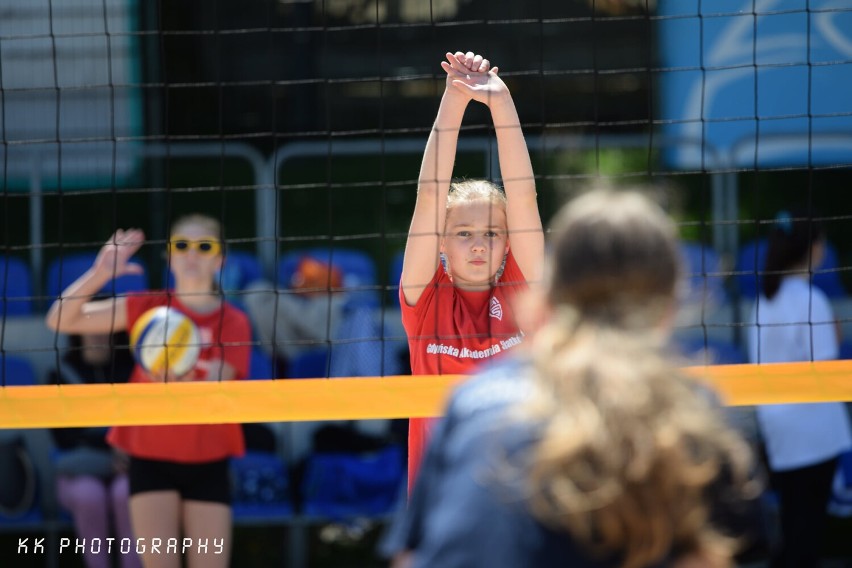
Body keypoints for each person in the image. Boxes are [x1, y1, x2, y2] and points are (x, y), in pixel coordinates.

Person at [382, 189, 758, 568]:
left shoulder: (471, 402)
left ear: (547, 298)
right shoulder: (694, 415)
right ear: (671, 307)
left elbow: (409, 557)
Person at [45, 214, 252, 568]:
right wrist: (101, 273)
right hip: (150, 458)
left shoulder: (233, 321)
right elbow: (60, 320)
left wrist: (196, 380)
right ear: (169, 256)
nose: (192, 254)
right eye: (181, 245)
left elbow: (221, 387)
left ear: (220, 259)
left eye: (205, 246)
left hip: (209, 459)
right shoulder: (148, 306)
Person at [399, 51, 544, 491]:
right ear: (441, 243)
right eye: (463, 234)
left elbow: (523, 196)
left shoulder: (523, 288)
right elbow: (430, 197)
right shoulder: (425, 299)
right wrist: (455, 98)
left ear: (507, 243)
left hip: (517, 490)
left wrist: (501, 103)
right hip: (442, 493)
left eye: (491, 233)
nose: (479, 243)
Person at [746, 209, 852, 568]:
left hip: (779, 428)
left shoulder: (764, 300)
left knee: (793, 527)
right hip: (814, 432)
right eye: (822, 241)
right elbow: (822, 372)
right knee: (807, 535)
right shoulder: (812, 300)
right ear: (812, 248)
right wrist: (835, 338)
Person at [49, 331, 141, 568]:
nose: (96, 334)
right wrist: (113, 447)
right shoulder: (61, 374)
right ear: (77, 333)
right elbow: (64, 439)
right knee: (89, 495)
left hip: (128, 468)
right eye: (89, 326)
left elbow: (143, 427)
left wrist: (127, 451)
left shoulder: (133, 371)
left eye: (103, 326)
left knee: (126, 492)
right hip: (80, 470)